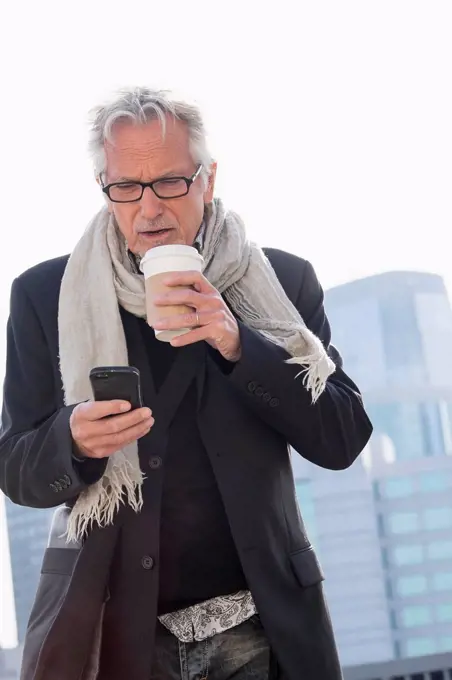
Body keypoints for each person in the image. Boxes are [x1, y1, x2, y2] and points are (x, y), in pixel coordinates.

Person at [0, 87, 372, 680]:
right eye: (126, 186)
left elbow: (343, 437)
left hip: (263, 626)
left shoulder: (284, 282)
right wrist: (72, 440)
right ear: (106, 187)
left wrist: (238, 344)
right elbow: (15, 467)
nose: (149, 209)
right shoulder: (47, 296)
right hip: (116, 632)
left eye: (170, 182)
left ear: (208, 179)